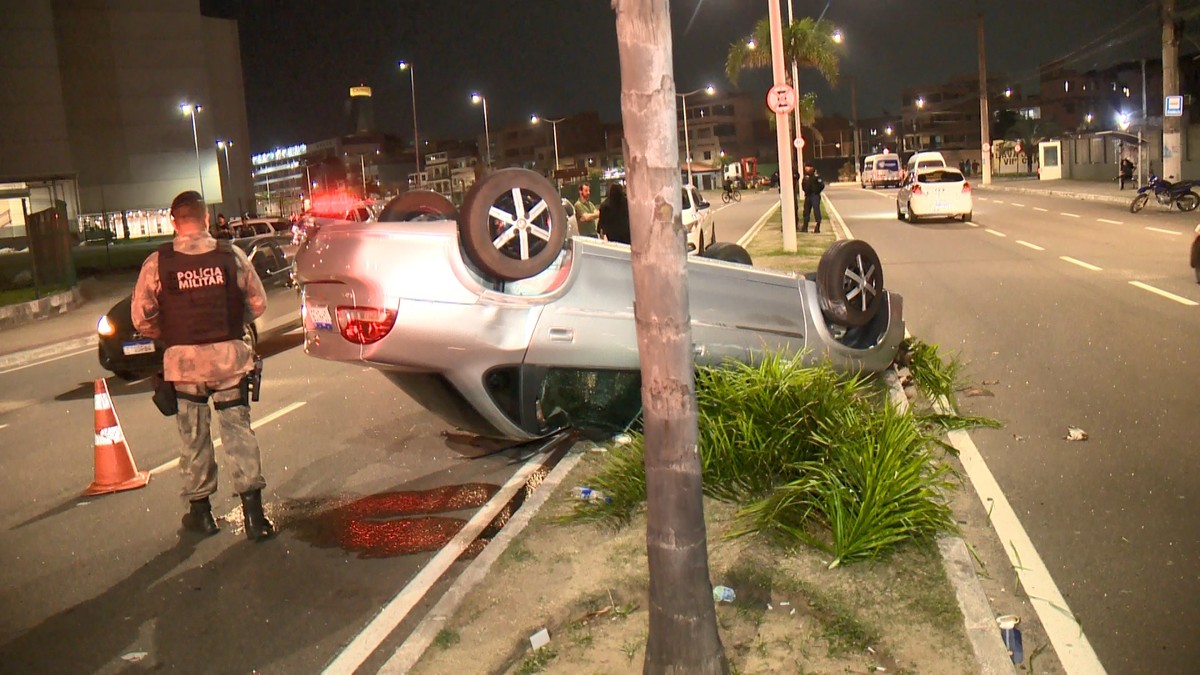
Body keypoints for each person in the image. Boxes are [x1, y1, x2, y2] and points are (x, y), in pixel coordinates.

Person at [131, 191, 275, 541]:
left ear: (174, 222)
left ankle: (202, 515)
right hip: (229, 361)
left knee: (194, 439)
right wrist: (228, 325)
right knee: (239, 434)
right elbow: (257, 303)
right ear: (207, 218)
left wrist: (173, 333)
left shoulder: (158, 263)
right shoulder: (231, 255)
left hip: (185, 366)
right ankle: (254, 518)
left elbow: (141, 317)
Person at [800, 164, 825, 233]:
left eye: (808, 167)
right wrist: (806, 190)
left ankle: (818, 226)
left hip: (815, 195)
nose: (806, 168)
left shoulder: (816, 176)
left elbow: (822, 185)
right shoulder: (806, 177)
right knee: (806, 211)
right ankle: (805, 227)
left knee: (816, 211)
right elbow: (803, 185)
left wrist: (816, 191)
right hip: (808, 195)